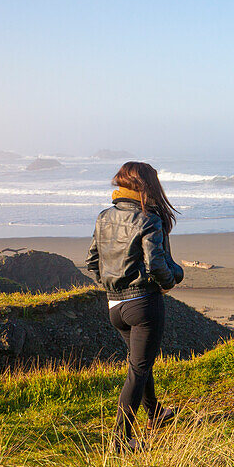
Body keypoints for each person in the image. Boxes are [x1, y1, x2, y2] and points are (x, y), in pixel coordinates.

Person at [86, 161, 184, 451]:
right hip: (143, 304)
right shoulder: (149, 219)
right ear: (147, 186)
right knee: (138, 369)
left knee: (140, 363)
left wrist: (111, 285)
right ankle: (120, 439)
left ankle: (155, 414)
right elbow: (157, 264)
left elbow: (93, 262)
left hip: (114, 305)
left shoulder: (104, 217)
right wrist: (172, 279)